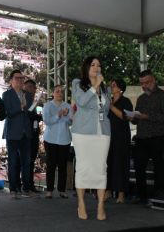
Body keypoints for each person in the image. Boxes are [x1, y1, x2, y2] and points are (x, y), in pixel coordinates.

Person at [71, 56, 111, 220]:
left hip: (102, 132)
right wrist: (94, 86)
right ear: (87, 67)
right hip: (82, 132)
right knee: (83, 167)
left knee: (101, 167)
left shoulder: (105, 88)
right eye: (93, 65)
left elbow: (106, 110)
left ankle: (101, 204)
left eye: (99, 65)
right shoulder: (77, 84)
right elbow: (81, 101)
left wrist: (99, 87)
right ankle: (81, 203)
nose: (97, 68)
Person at [131, 69, 164, 203]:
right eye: (141, 83)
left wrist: (147, 116)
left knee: (158, 167)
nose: (144, 86)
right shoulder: (141, 98)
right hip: (141, 137)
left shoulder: (163, 96)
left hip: (157, 137)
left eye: (146, 83)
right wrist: (132, 117)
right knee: (139, 167)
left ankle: (158, 196)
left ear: (153, 80)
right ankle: (141, 195)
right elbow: (137, 118)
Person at [2, 70, 33, 198]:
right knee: (13, 162)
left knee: (27, 162)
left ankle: (26, 188)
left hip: (26, 133)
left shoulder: (28, 95)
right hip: (12, 133)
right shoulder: (6, 95)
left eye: (22, 78)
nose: (20, 80)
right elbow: (7, 113)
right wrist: (21, 107)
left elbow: (30, 111)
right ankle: (14, 189)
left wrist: (29, 108)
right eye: (17, 78)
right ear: (11, 81)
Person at [105, 78, 133, 203]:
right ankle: (108, 191)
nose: (112, 86)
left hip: (121, 137)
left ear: (120, 88)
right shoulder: (108, 101)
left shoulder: (126, 101)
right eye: (111, 85)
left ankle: (121, 193)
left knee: (121, 164)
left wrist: (111, 106)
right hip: (108, 136)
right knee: (108, 163)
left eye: (114, 85)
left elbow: (125, 116)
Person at [43, 85, 72, 199]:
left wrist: (67, 117)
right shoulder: (47, 106)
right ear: (53, 93)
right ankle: (49, 190)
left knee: (62, 166)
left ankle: (62, 190)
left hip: (64, 139)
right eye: (57, 91)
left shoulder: (68, 106)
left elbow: (70, 122)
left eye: (61, 92)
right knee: (50, 165)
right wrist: (59, 115)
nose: (60, 93)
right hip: (50, 139)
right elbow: (47, 121)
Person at [23, 79, 43, 193]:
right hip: (26, 135)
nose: (33, 90)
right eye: (31, 87)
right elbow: (27, 115)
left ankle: (30, 183)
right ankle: (25, 184)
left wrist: (37, 117)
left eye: (34, 88)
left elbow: (32, 115)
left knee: (31, 161)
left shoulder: (33, 101)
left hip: (34, 134)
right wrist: (37, 117)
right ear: (25, 88)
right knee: (26, 161)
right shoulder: (24, 99)